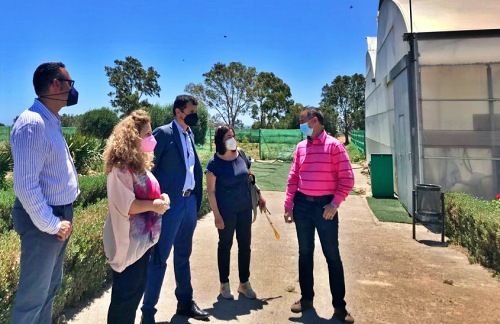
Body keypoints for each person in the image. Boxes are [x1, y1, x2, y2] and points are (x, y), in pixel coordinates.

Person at [10, 62, 79, 323]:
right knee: (32, 299)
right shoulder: (33, 124)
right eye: (69, 83)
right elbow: (25, 186)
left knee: (49, 290)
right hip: (44, 220)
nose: (73, 90)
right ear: (55, 84)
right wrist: (51, 224)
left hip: (58, 215)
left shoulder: (50, 121)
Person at [284, 107, 355, 323]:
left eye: (302, 121)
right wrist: (289, 205)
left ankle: (340, 308)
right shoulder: (301, 147)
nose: (301, 125)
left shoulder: (334, 146)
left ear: (315, 121)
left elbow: (348, 179)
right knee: (304, 253)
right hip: (303, 207)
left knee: (332, 256)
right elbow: (293, 177)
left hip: (325, 208)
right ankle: (306, 300)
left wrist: (334, 204)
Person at [141, 95, 209, 323]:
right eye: (191, 111)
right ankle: (148, 313)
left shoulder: (189, 134)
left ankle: (185, 303)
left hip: (188, 204)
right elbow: (148, 169)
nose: (194, 115)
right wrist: (154, 202)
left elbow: (193, 169)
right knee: (159, 258)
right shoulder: (164, 134)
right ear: (178, 111)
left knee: (183, 255)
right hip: (170, 206)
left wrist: (196, 200)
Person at [102, 109, 170, 324]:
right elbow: (127, 205)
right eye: (147, 134)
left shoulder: (139, 165)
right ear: (133, 137)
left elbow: (149, 192)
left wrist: (162, 198)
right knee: (124, 299)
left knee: (134, 295)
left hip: (141, 244)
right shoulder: (120, 168)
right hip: (127, 243)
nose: (152, 138)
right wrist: (154, 205)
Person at [205, 125, 266, 300]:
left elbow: (249, 176)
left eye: (233, 135)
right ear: (220, 142)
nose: (232, 139)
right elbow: (211, 191)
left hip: (245, 209)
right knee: (225, 246)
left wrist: (259, 195)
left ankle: (244, 283)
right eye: (228, 137)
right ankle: (224, 284)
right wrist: (217, 215)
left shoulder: (241, 154)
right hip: (226, 212)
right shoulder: (214, 163)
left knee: (245, 246)